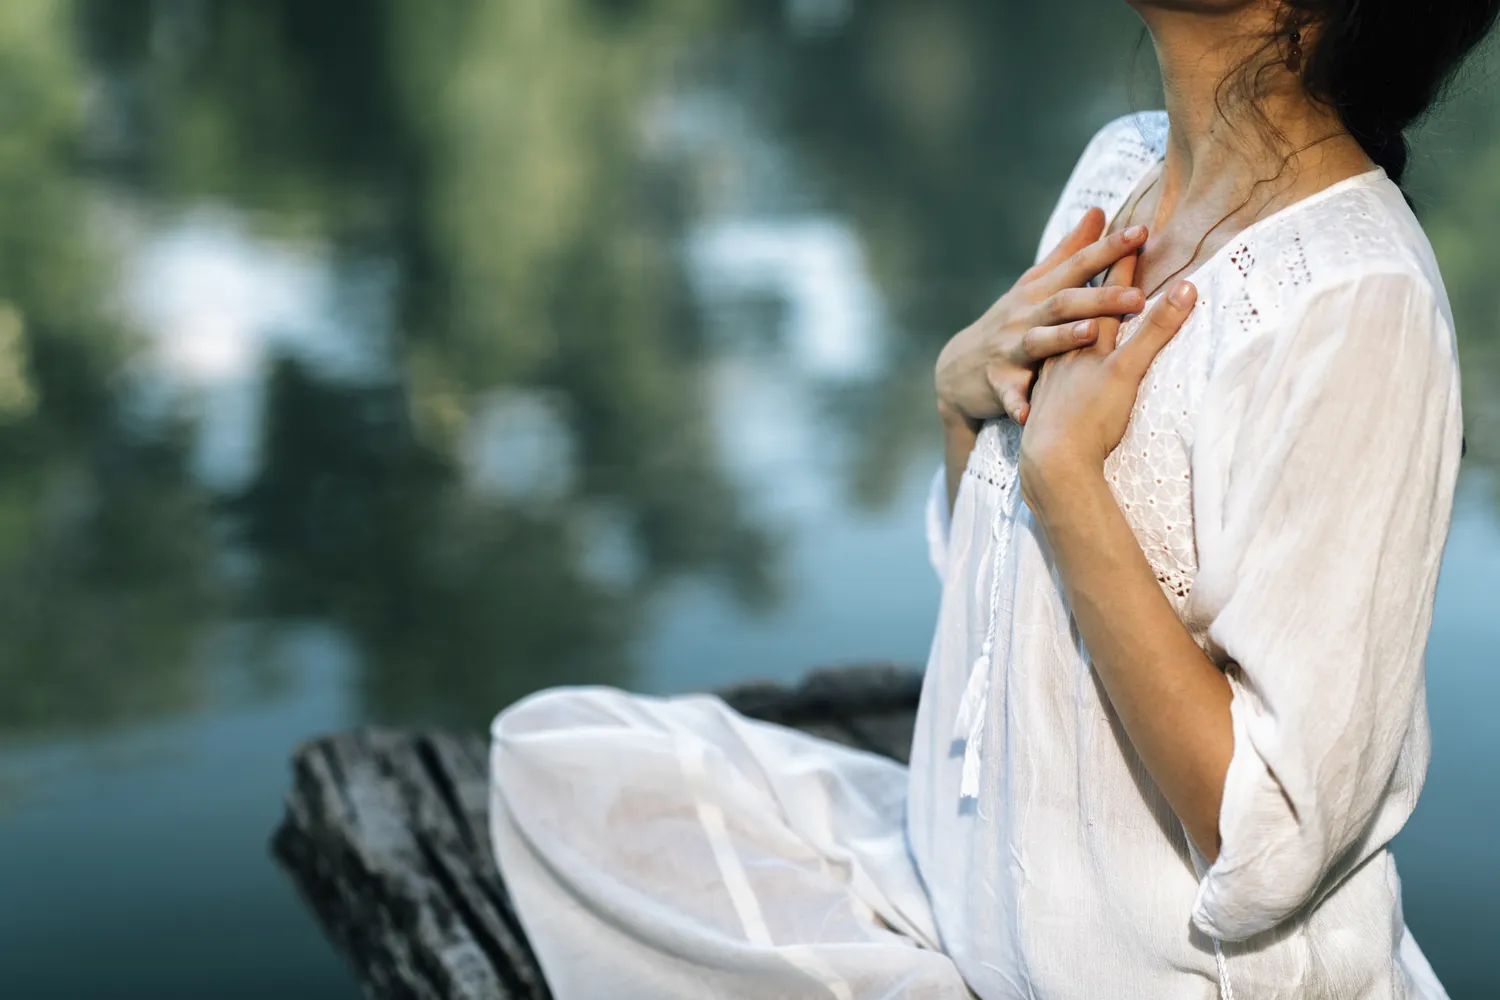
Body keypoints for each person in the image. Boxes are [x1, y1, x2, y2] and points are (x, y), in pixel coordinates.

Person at [488, 1, 1500, 996]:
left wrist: (1068, 485)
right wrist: (961, 402)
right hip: (960, 891)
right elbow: (1003, 608)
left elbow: (1270, 837)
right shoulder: (1120, 171)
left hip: (1161, 973)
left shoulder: (1354, 300)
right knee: (555, 762)